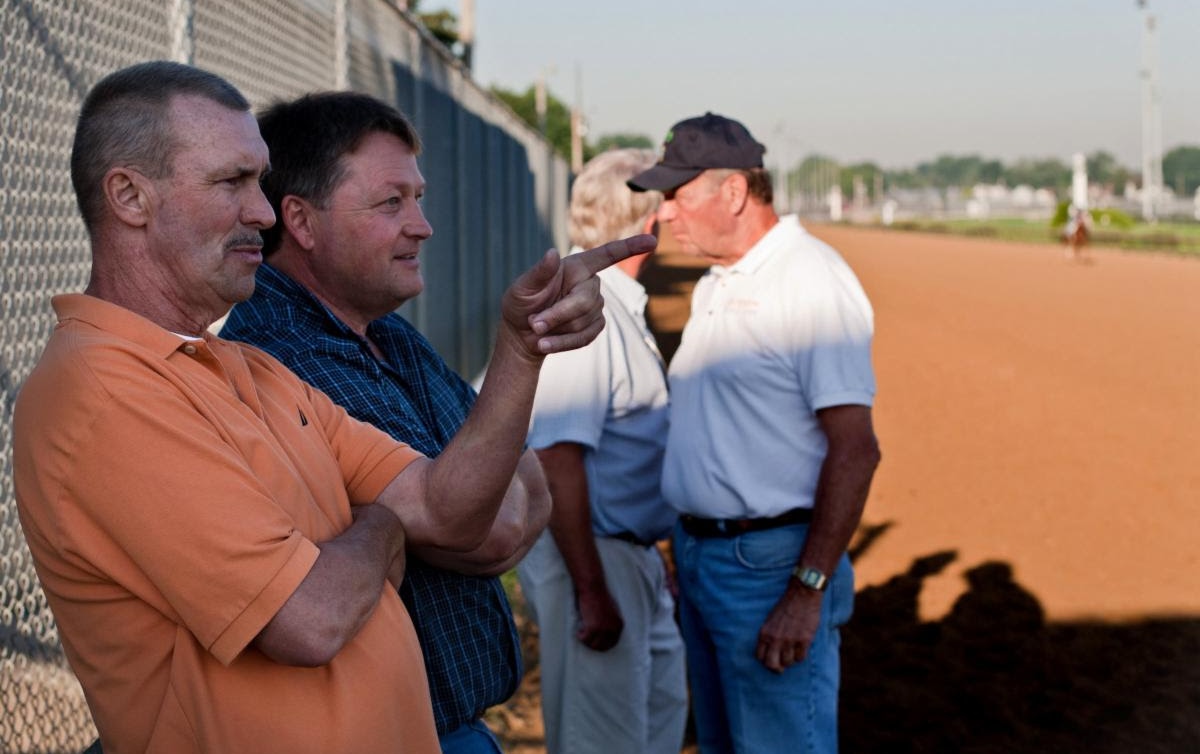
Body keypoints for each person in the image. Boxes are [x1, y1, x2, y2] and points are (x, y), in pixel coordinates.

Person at [11, 61, 652, 754]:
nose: (262, 212)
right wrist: (383, 525)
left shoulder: (241, 368)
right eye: (232, 181)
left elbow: (447, 512)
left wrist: (522, 350)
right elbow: (309, 618)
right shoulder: (105, 392)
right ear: (130, 197)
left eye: (260, 180)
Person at [219, 90, 548, 754]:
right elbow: (483, 527)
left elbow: (529, 496)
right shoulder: (287, 355)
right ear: (302, 222)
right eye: (390, 202)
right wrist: (519, 355)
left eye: (418, 198)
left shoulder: (389, 335)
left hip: (451, 729)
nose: (422, 225)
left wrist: (475, 493)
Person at [628, 112, 881, 754]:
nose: (666, 216)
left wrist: (807, 589)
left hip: (769, 566)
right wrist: (686, 544)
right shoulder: (719, 281)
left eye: (678, 197)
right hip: (707, 557)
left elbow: (856, 447)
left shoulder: (809, 279)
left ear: (734, 192)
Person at [517, 149, 688, 754]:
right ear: (643, 219)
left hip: (624, 554)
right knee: (605, 739)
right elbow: (557, 458)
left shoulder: (612, 304)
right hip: (593, 558)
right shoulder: (588, 310)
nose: (672, 212)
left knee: (653, 717)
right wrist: (592, 588)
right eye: (663, 199)